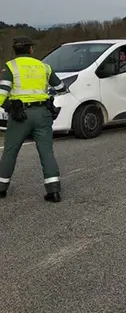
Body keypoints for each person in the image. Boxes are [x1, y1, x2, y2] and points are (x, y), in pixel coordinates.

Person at [0, 36, 67, 202]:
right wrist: (47, 95)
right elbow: (61, 88)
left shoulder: (11, 66)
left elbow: (2, 93)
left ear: (15, 50)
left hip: (19, 115)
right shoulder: (44, 66)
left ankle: (1, 188)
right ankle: (54, 191)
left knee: (10, 151)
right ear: (31, 49)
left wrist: (8, 105)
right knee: (46, 152)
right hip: (42, 113)